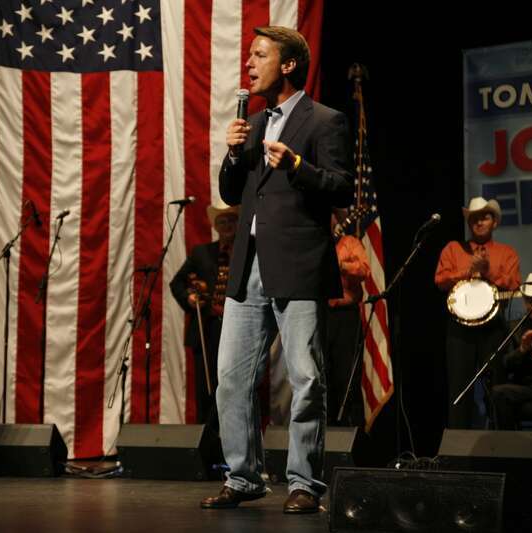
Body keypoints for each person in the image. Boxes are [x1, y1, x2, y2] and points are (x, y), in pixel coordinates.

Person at [200, 26, 353, 513]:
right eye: (249, 55)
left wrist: (297, 166)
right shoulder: (255, 120)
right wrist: (231, 150)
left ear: (287, 65)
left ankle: (304, 483)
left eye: (259, 55)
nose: (249, 63)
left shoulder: (324, 120)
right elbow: (229, 193)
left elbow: (342, 187)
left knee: (306, 378)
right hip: (249, 269)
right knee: (231, 378)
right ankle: (243, 477)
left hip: (299, 267)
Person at [434, 197, 520, 429]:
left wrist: (488, 271)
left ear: (495, 222)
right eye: (474, 218)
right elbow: (440, 280)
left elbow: (513, 284)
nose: (479, 221)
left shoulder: (507, 253)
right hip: (459, 329)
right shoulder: (454, 249)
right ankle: (457, 449)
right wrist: (467, 270)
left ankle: (501, 444)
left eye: (485, 216)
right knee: (459, 390)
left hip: (493, 328)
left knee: (498, 389)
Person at [170, 203, 239, 427]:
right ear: (216, 226)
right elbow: (177, 283)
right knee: (206, 389)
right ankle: (207, 441)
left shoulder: (248, 252)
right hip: (207, 329)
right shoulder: (202, 253)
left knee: (234, 387)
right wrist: (190, 299)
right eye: (222, 222)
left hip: (237, 330)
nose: (227, 225)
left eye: (231, 220)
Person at [491, 272, 532, 429]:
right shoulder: (516, 327)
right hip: (529, 387)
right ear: (526, 302)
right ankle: (510, 447)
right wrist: (522, 349)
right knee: (499, 393)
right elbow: (506, 363)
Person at [326, 209, 371, 425]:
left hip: (345, 318)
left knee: (347, 378)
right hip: (320, 316)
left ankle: (353, 438)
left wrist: (341, 264)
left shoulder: (350, 242)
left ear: (336, 218)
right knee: (322, 379)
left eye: (330, 214)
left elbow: (364, 269)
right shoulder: (316, 243)